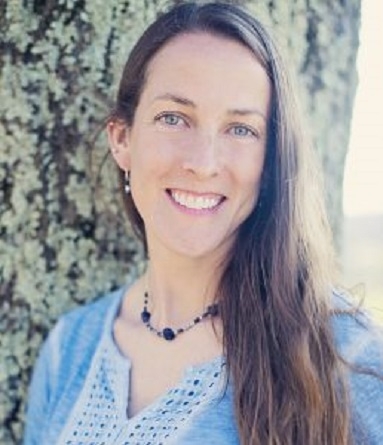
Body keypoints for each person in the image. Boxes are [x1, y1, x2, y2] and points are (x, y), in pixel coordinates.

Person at [23, 2, 383, 444]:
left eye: (241, 129)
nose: (204, 163)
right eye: (174, 118)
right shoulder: (68, 352)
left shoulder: (341, 352)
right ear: (122, 140)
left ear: (270, 159)